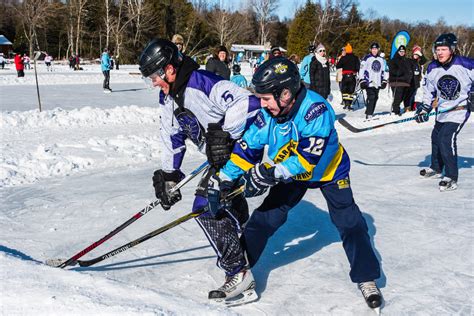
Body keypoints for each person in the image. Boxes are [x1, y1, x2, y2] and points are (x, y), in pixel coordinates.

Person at [210, 57, 382, 310]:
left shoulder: (316, 109)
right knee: (264, 219)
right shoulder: (268, 113)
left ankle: (367, 277)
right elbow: (247, 150)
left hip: (329, 173)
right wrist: (224, 178)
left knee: (350, 222)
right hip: (290, 175)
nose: (262, 103)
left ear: (286, 93)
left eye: (267, 98)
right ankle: (239, 271)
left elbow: (306, 159)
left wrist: (267, 173)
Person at [138, 38, 261, 303]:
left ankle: (239, 273)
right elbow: (171, 136)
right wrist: (170, 176)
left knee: (205, 204)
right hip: (222, 159)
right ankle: (245, 236)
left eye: (155, 76)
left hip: (245, 150)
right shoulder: (168, 97)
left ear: (169, 69)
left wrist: (225, 134)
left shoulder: (203, 82)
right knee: (227, 202)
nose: (153, 82)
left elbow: (248, 102)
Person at [415, 33, 472, 191]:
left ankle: (452, 177)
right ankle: (436, 167)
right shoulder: (433, 67)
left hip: (459, 110)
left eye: (444, 49)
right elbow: (429, 90)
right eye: (437, 49)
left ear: (452, 50)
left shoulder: (466, 64)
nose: (439, 52)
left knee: (446, 139)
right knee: (436, 137)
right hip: (442, 110)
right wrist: (424, 108)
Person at [359, 42, 388, 119]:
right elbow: (361, 69)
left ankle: (369, 111)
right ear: (370, 50)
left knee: (375, 97)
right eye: (373, 49)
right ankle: (369, 114)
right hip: (369, 82)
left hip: (377, 82)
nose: (374, 50)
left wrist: (385, 80)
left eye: (376, 49)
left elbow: (385, 70)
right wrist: (362, 80)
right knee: (371, 96)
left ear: (378, 50)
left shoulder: (381, 59)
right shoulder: (366, 58)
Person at [389, 45, 413, 114]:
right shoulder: (394, 60)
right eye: (400, 51)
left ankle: (396, 108)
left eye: (403, 51)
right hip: (396, 81)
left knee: (403, 97)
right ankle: (396, 111)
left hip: (405, 82)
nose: (402, 53)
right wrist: (399, 72)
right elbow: (392, 70)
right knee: (398, 96)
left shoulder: (406, 60)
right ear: (398, 52)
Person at [336, 43, 360, 110]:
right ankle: (349, 104)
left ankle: (345, 103)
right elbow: (358, 67)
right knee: (350, 91)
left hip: (345, 76)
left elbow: (338, 66)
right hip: (352, 76)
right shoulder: (355, 58)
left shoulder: (344, 57)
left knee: (345, 90)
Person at [408, 45, 427, 109]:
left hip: (416, 81)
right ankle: (408, 107)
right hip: (410, 81)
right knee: (410, 95)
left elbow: (424, 60)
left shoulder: (418, 62)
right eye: (415, 54)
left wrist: (421, 54)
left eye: (417, 55)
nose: (416, 56)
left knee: (414, 94)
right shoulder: (410, 61)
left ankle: (412, 106)